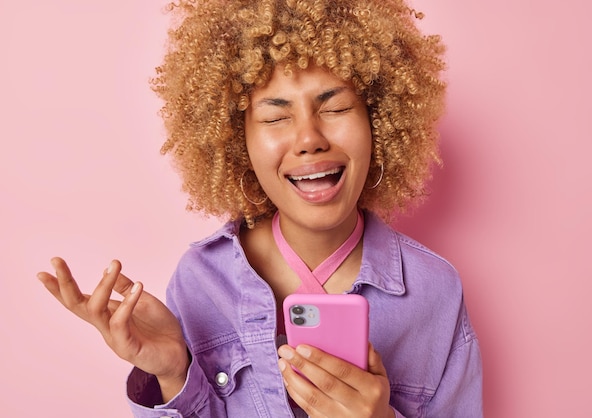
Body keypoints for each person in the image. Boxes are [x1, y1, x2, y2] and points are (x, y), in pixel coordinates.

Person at [37, 0, 483, 416]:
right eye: (274, 117)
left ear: (379, 123)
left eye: (337, 106)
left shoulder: (434, 293)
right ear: (236, 142)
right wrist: (173, 374)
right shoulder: (199, 280)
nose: (309, 139)